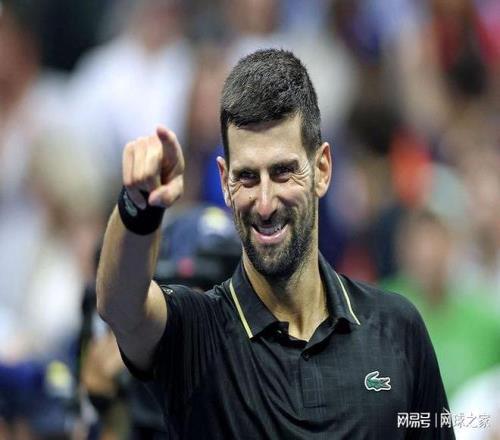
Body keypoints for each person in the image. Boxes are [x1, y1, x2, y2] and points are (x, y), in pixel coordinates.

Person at [96, 49, 455, 438]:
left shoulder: (397, 328)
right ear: (224, 182)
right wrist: (138, 205)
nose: (265, 204)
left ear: (322, 169)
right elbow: (121, 306)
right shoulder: (197, 336)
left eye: (283, 172)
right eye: (247, 177)